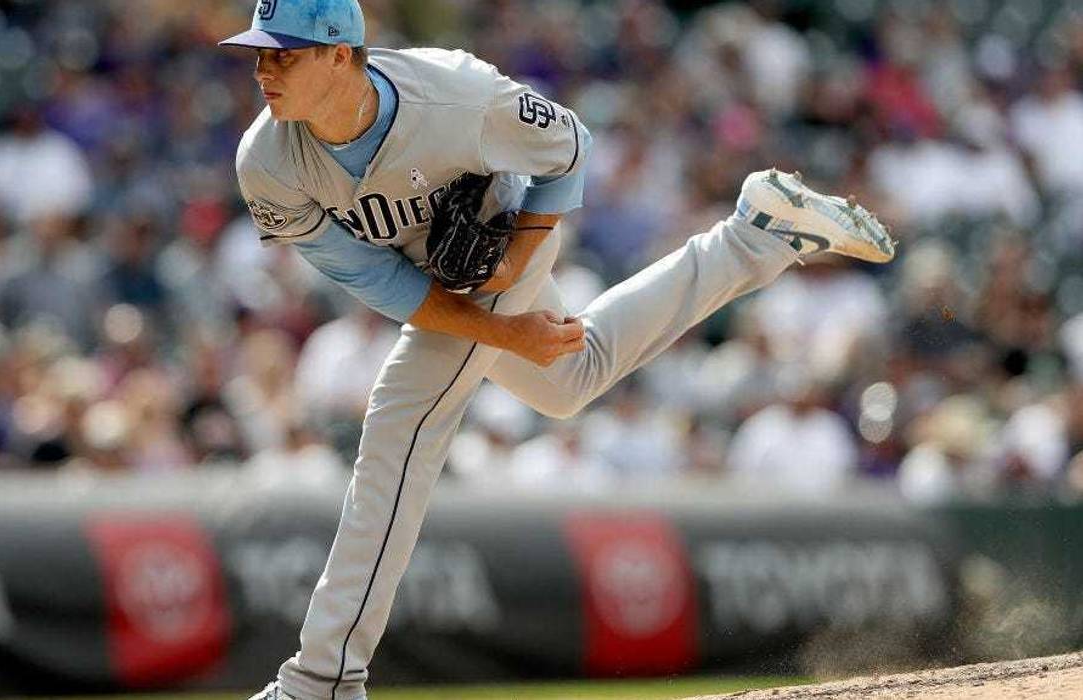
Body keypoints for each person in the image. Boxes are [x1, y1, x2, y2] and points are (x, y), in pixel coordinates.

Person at [220, 2, 895, 698]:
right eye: (260, 53)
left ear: (341, 55)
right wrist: (507, 333)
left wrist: (516, 261)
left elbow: (569, 146)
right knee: (569, 377)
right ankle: (756, 235)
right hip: (434, 277)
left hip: (504, 231)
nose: (264, 69)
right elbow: (379, 281)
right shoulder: (268, 160)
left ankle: (323, 678)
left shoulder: (455, 97)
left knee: (402, 415)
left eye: (285, 53)